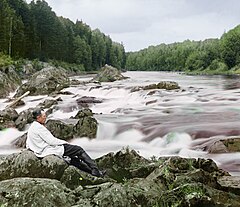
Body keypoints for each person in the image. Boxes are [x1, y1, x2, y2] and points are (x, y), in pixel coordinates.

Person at [26, 108, 105, 177]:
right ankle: (95, 170)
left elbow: (28, 143)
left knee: (73, 158)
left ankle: (90, 172)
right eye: (44, 116)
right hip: (47, 149)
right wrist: (65, 143)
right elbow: (52, 141)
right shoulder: (39, 128)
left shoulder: (32, 127)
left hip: (41, 149)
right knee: (78, 150)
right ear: (38, 117)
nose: (45, 117)